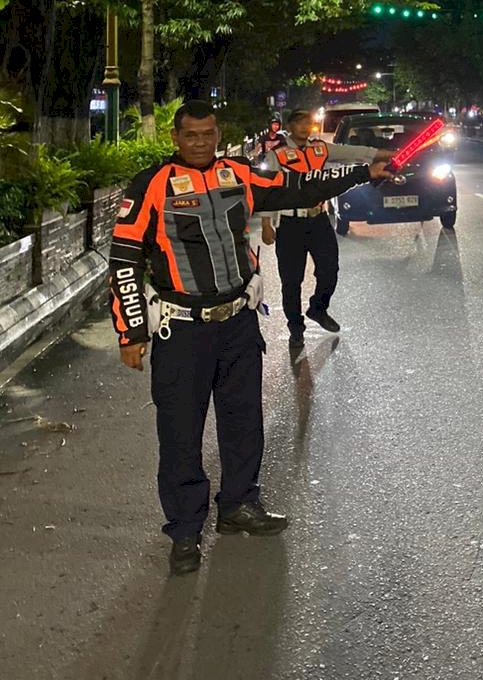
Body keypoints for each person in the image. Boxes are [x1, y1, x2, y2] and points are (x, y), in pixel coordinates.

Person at [107, 99, 392, 577]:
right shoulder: (151, 185)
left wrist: (365, 171)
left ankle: (239, 504)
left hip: (238, 323)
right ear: (176, 137)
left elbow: (298, 184)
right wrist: (130, 331)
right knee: (180, 432)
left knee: (243, 420)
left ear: (218, 134)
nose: (201, 142)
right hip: (182, 329)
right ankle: (184, 529)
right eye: (191, 134)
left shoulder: (238, 174)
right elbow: (124, 257)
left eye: (208, 133)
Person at [260, 109, 386, 346]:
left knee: (329, 270)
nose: (305, 126)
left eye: (308, 122)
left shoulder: (320, 149)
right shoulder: (277, 155)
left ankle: (318, 308)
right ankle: (295, 328)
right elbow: (268, 191)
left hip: (318, 220)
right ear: (289, 125)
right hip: (290, 224)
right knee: (291, 280)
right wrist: (267, 223)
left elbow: (354, 153)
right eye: (299, 122)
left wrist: (384, 154)